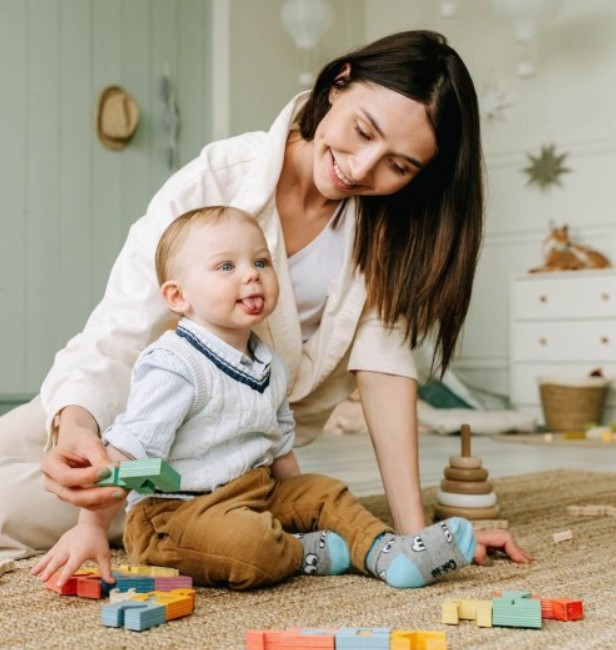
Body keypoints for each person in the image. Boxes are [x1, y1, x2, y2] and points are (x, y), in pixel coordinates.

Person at [0, 30, 530, 566]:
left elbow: (385, 377)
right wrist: (73, 428)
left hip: (225, 458)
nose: (361, 167)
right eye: (362, 130)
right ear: (340, 82)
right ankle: (64, 481)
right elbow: (119, 332)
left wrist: (415, 535)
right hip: (128, 402)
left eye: (398, 165)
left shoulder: (388, 236)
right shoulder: (220, 178)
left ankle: (184, 518)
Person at [32, 205, 479, 591]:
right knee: (252, 544)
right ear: (178, 296)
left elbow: (278, 443)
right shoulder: (174, 364)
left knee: (327, 493)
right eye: (226, 267)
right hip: (176, 516)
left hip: (252, 491)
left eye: (261, 262)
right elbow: (128, 455)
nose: (251, 274)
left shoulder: (268, 361)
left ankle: (390, 554)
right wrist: (90, 527)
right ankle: (302, 553)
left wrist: (303, 506)